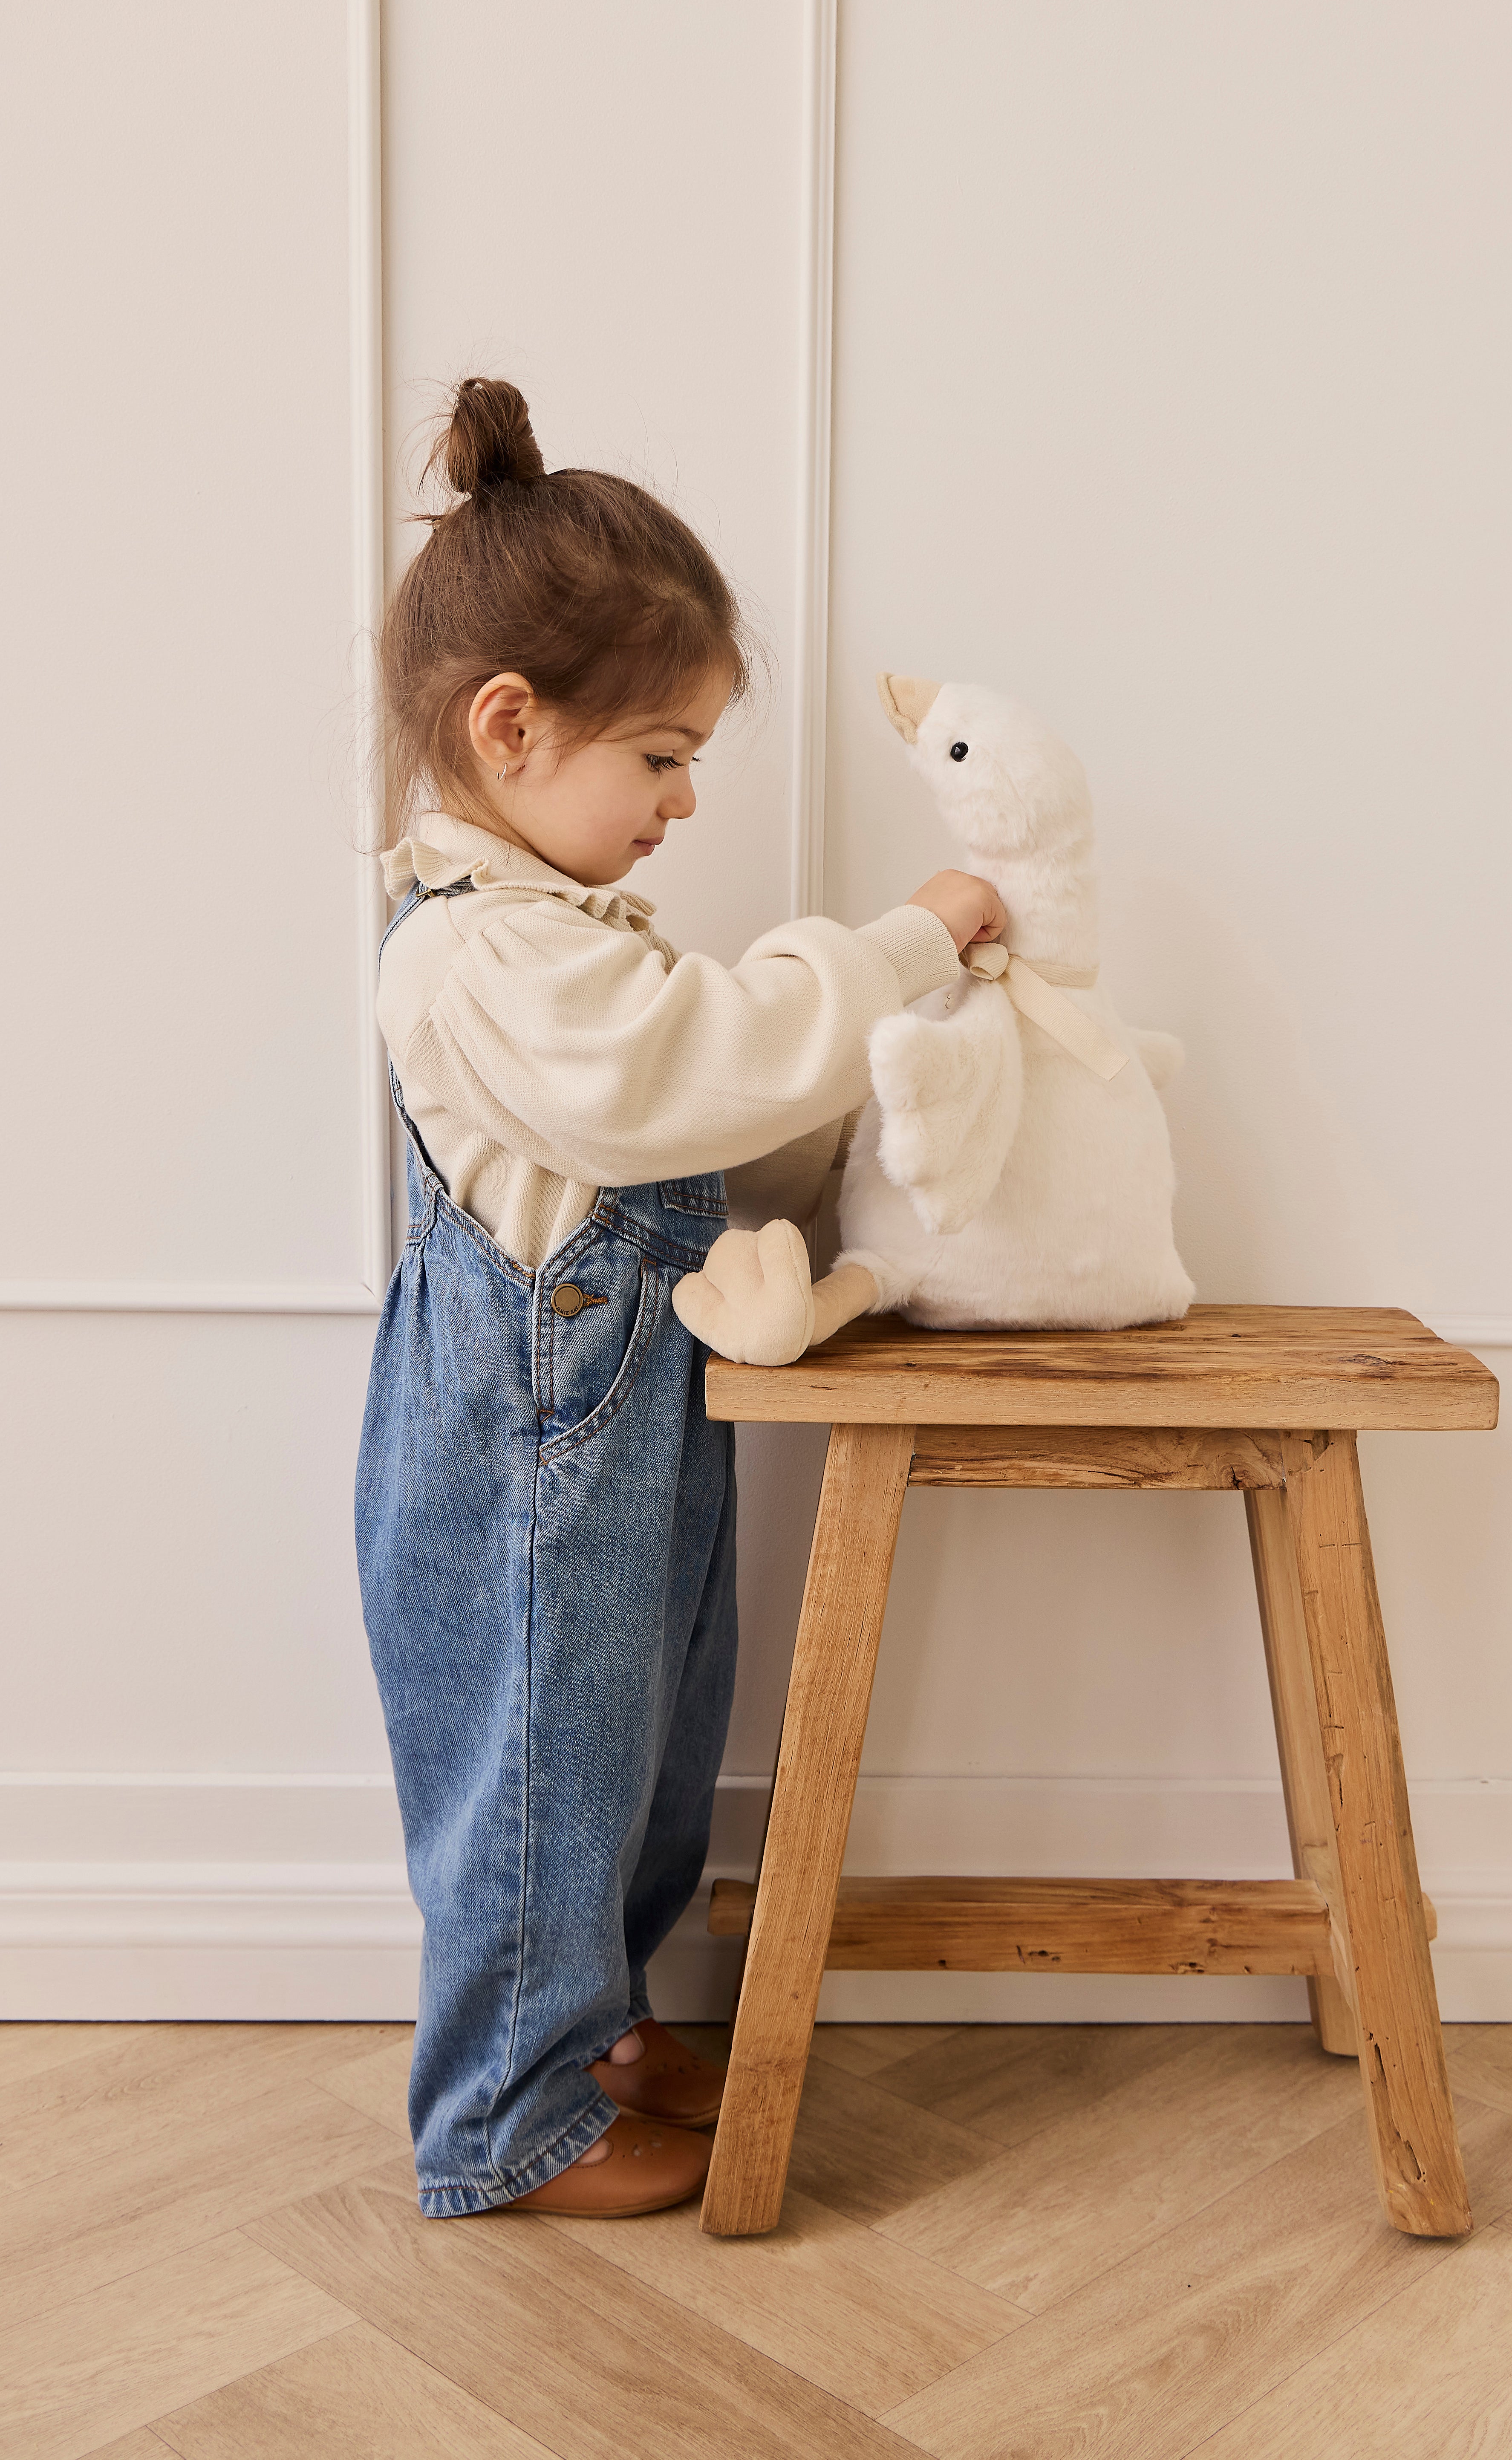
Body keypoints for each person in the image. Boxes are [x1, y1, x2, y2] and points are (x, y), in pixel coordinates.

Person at [355, 377, 1004, 2219]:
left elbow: (696, 1134)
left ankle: (604, 2029)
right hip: (520, 1458)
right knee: (542, 1757)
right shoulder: (484, 954)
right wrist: (903, 941)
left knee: (639, 1742)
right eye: (657, 754)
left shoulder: (562, 942)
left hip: (621, 1433)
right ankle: (506, 2116)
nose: (684, 798)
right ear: (510, 724)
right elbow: (695, 1074)